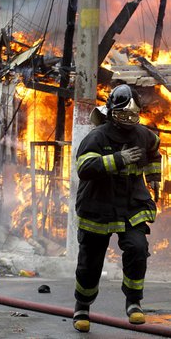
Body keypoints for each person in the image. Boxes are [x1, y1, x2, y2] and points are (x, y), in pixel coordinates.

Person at [72, 84, 161, 332]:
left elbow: (155, 151)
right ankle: (82, 307)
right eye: (123, 115)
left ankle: (134, 303)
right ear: (112, 112)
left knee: (137, 248)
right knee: (91, 259)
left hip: (131, 204)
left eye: (133, 115)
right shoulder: (97, 137)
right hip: (98, 205)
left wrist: (155, 177)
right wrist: (119, 159)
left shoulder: (143, 135)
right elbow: (85, 168)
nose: (128, 120)